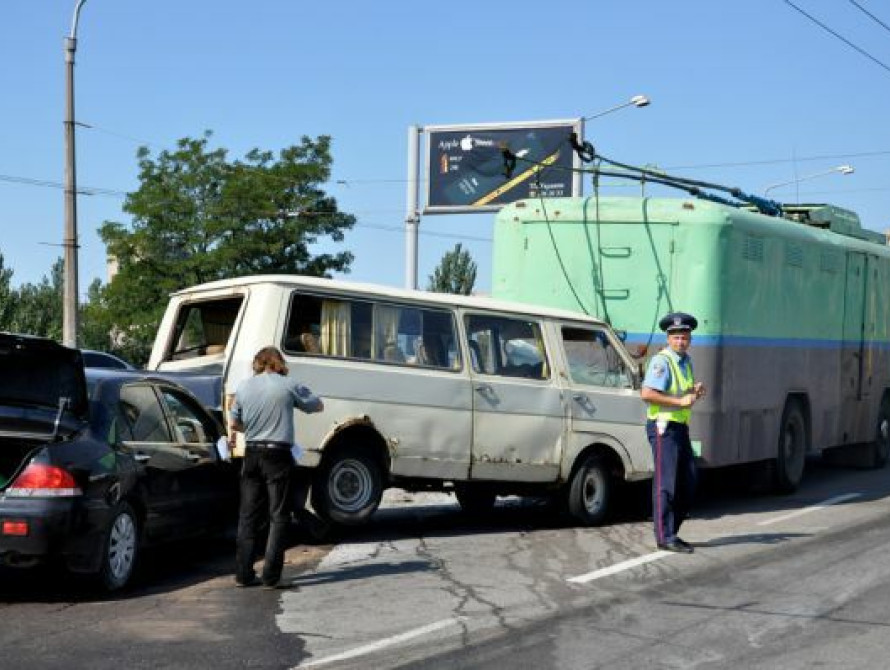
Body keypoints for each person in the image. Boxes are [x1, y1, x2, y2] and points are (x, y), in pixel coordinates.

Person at [229, 346, 324, 588]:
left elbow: (236, 423)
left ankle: (243, 574)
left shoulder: (243, 386)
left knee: (248, 515)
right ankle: (271, 576)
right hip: (277, 455)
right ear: (277, 362)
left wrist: (255, 424)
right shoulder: (287, 384)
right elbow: (317, 405)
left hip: (251, 453)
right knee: (278, 515)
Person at [640, 312, 705, 554]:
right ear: (668, 338)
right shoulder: (662, 361)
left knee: (689, 481)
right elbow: (647, 394)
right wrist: (681, 403)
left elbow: (679, 391)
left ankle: (671, 531)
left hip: (679, 428)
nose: (680, 341)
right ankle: (664, 536)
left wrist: (693, 390)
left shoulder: (685, 361)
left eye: (684, 337)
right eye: (676, 337)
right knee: (665, 485)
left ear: (690, 339)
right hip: (662, 427)